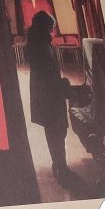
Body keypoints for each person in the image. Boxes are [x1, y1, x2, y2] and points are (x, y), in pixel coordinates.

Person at [25, 11, 76, 186]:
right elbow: (49, 77)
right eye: (51, 26)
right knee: (57, 133)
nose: (53, 30)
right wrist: (65, 85)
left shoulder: (37, 44)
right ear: (45, 27)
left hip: (46, 97)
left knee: (54, 133)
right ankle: (61, 167)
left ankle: (59, 165)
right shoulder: (42, 48)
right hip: (50, 98)